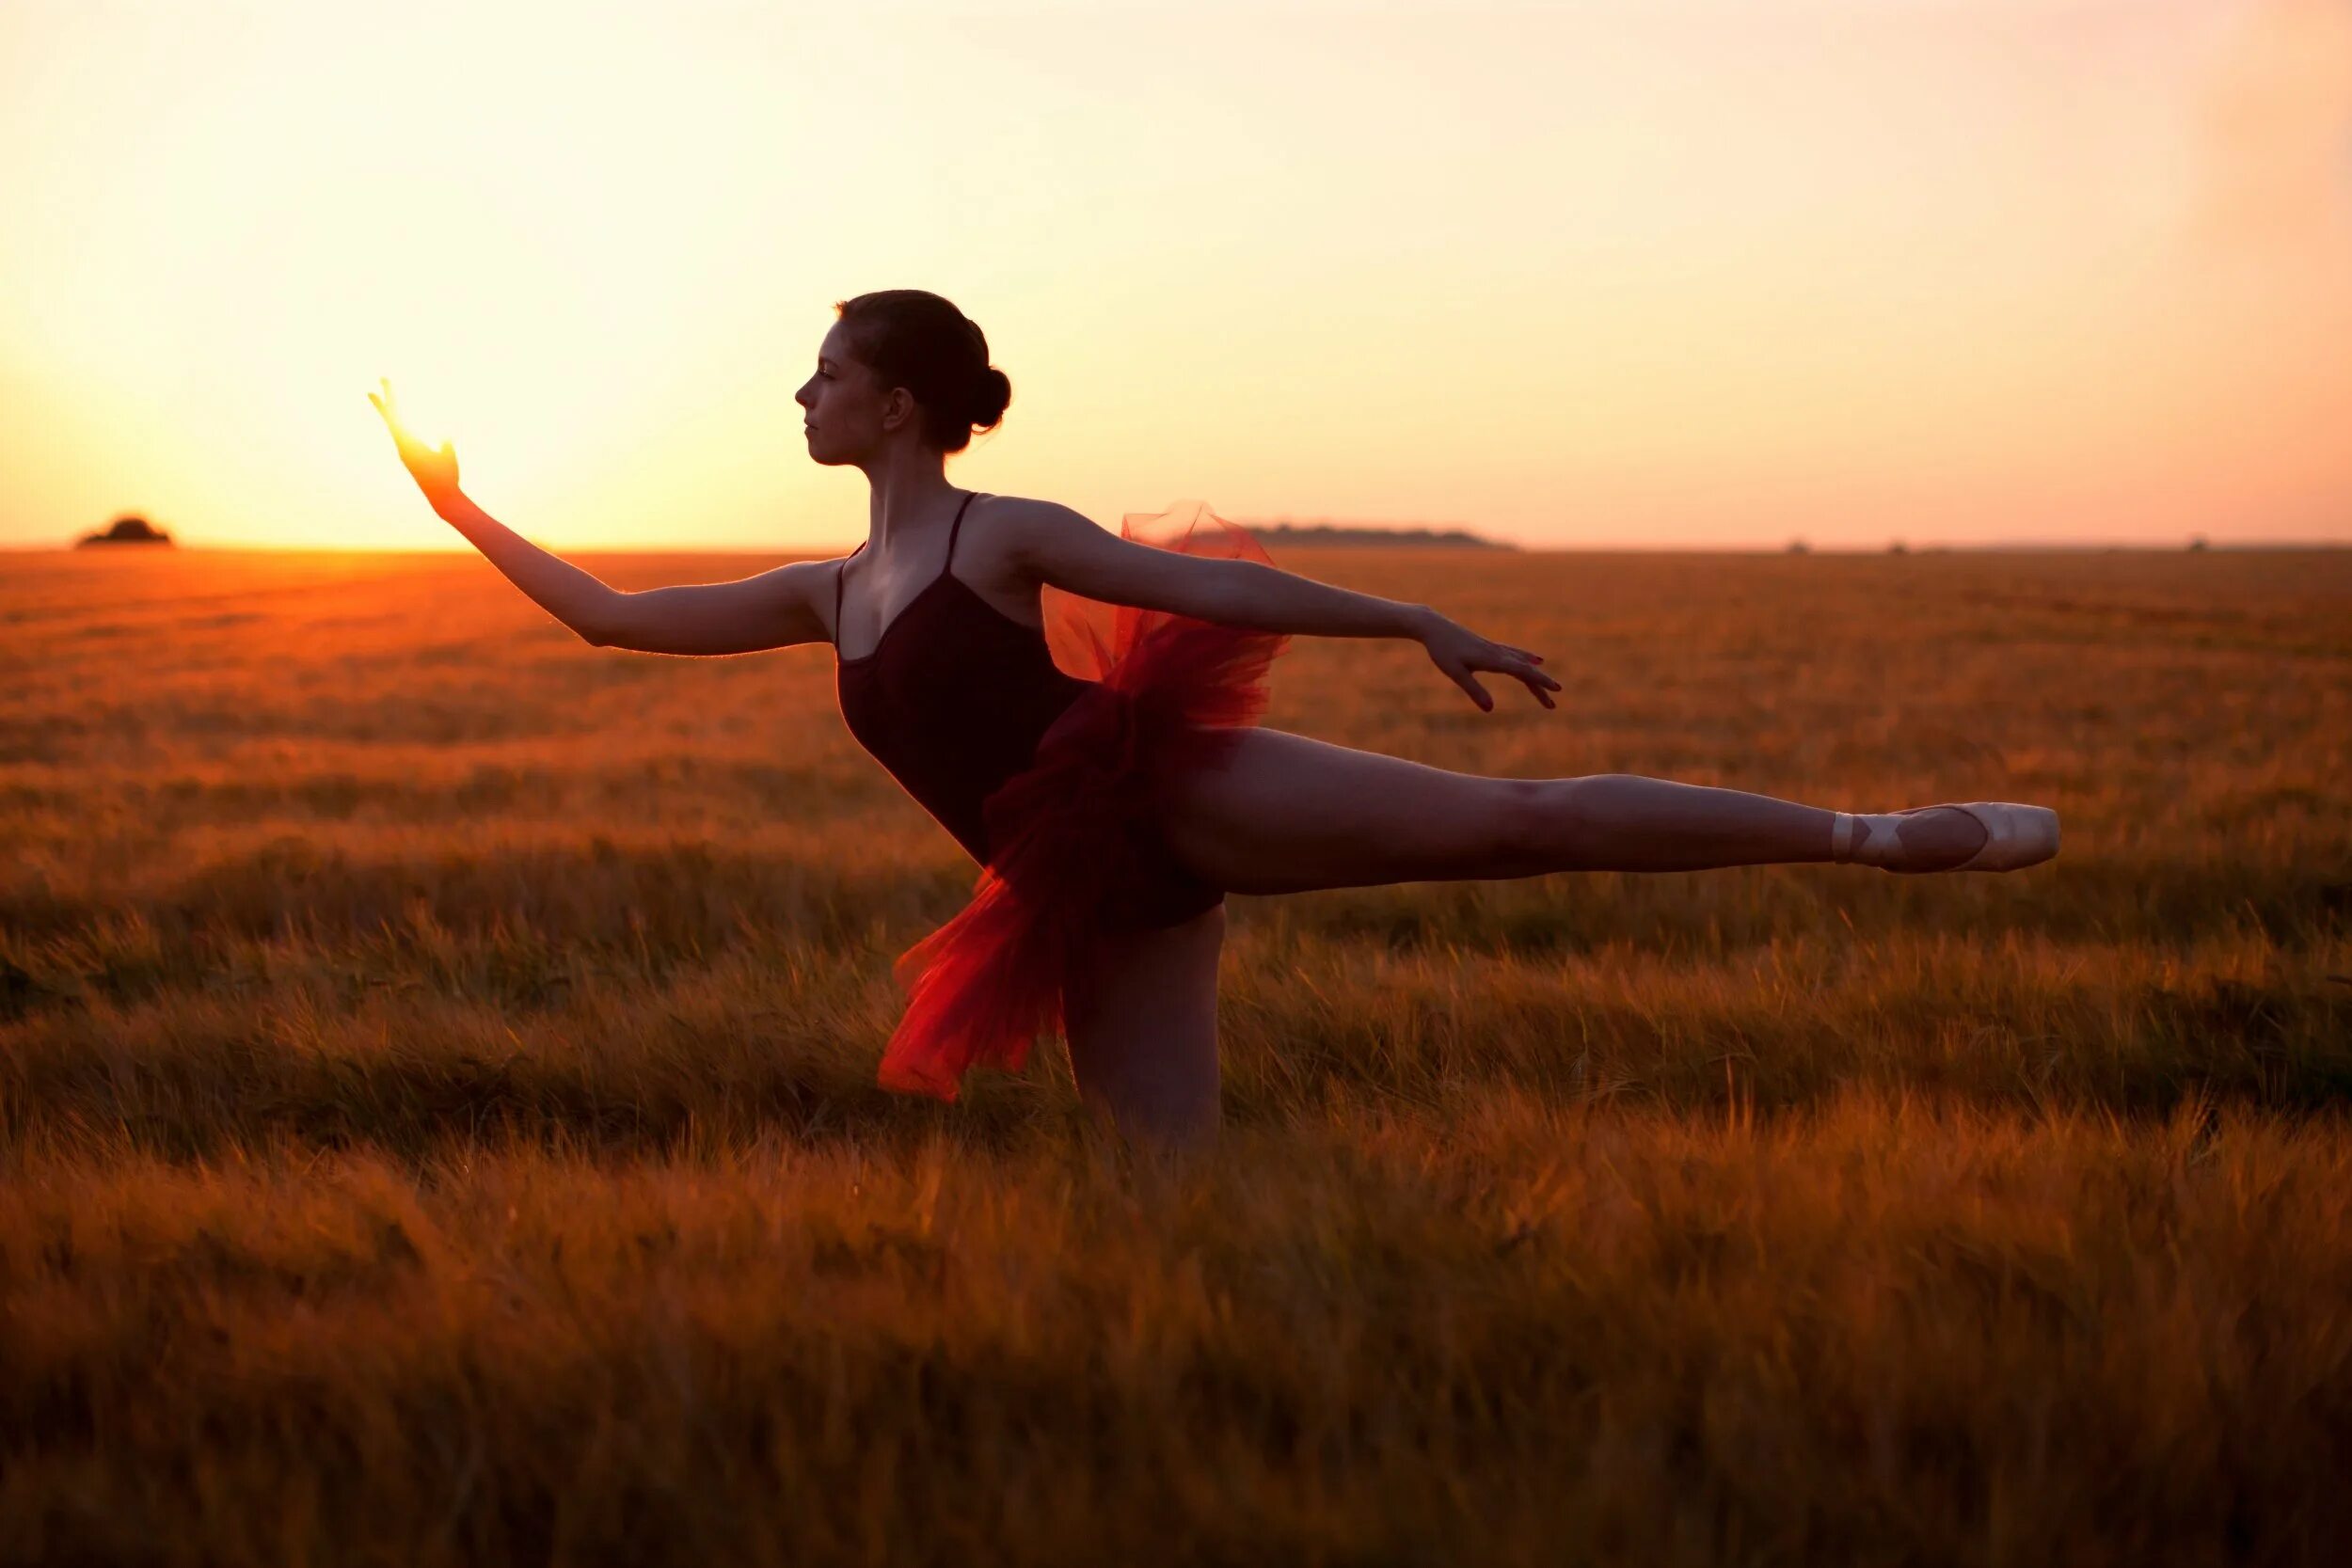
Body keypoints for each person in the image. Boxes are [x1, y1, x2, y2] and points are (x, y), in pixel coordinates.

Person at [369, 288, 2058, 1153]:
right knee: (1166, 1187)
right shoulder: (828, 586)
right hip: (1079, 889)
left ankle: (1882, 839)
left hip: (1165, 791)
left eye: (822, 373)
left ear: (895, 400)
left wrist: (1407, 611)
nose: (798, 394)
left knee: (1517, 827)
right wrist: (462, 511)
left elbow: (1212, 597)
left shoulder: (992, 530)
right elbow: (615, 619)